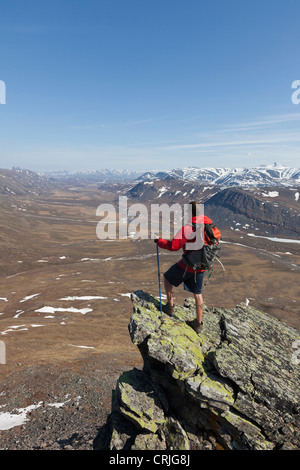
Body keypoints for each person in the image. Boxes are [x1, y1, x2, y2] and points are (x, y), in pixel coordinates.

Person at [154, 201, 211, 333]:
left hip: (189, 265)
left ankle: (170, 307)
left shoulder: (189, 227)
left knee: (168, 277)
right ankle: (198, 323)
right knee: (198, 293)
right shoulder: (208, 226)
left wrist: (159, 241)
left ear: (191, 212)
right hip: (202, 266)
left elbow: (174, 246)